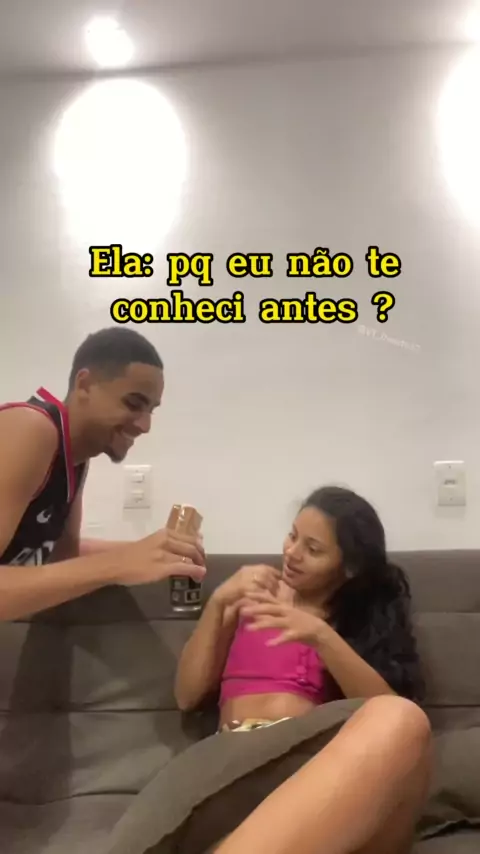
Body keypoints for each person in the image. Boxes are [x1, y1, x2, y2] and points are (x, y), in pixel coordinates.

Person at [174, 486, 428, 853]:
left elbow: (391, 714)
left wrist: (321, 637)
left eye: (313, 549)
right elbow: (186, 696)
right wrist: (218, 603)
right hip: (234, 757)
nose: (292, 553)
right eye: (292, 536)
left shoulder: (353, 622)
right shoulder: (250, 596)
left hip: (308, 766)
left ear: (349, 568)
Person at [0, 326, 205, 622]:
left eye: (151, 410)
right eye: (133, 403)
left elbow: (63, 558)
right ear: (85, 385)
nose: (145, 426)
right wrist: (118, 563)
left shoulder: (75, 456)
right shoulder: (32, 428)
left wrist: (151, 552)